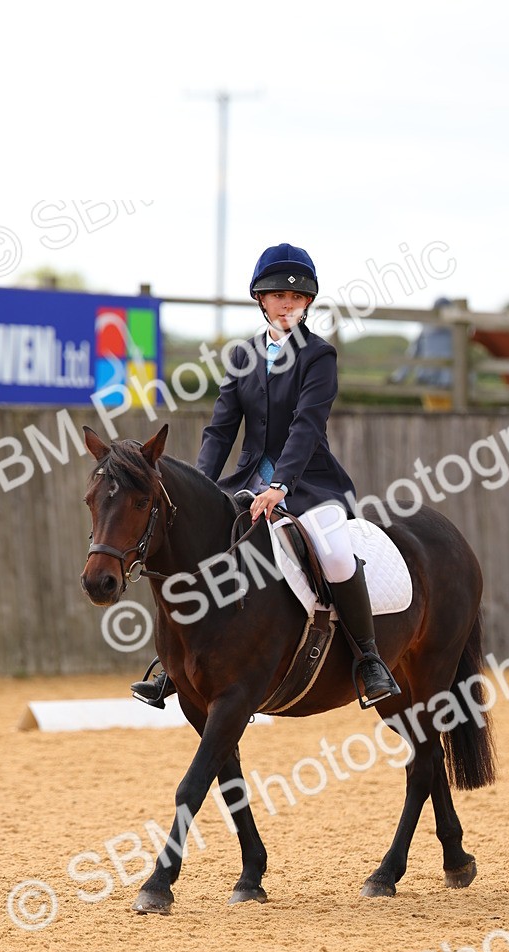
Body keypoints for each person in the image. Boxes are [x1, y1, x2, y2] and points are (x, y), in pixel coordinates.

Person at [133, 243, 400, 709]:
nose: (288, 304)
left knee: (336, 556)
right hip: (245, 483)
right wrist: (201, 488)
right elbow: (220, 430)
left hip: (311, 485)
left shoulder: (320, 356)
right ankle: (172, 665)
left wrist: (281, 486)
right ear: (261, 299)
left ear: (309, 302)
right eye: (278, 296)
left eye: (297, 298)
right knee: (195, 548)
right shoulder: (242, 357)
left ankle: (369, 659)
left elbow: (306, 425)